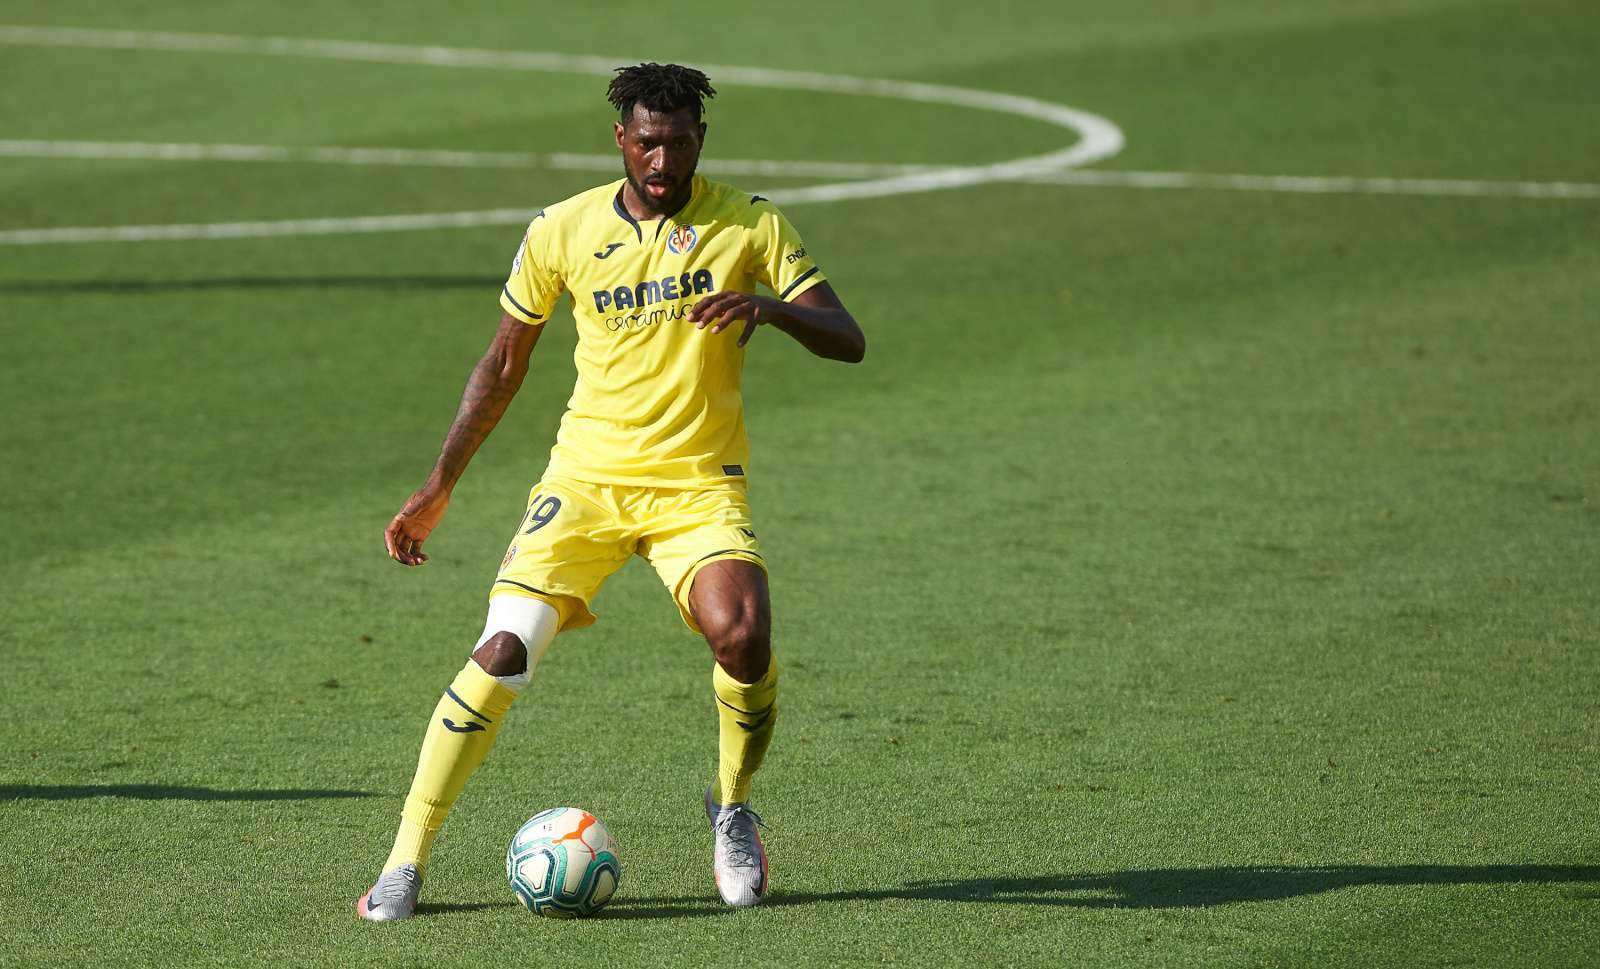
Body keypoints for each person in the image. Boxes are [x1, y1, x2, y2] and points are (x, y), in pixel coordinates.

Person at [357, 62, 865, 921]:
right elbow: (503, 364)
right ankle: (405, 860)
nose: (662, 163)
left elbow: (847, 337)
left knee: (743, 634)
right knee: (502, 651)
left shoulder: (750, 224)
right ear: (621, 140)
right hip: (585, 481)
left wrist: (771, 309)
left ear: (701, 140)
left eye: (679, 144)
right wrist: (439, 484)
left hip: (696, 484)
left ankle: (732, 807)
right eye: (648, 144)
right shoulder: (562, 228)